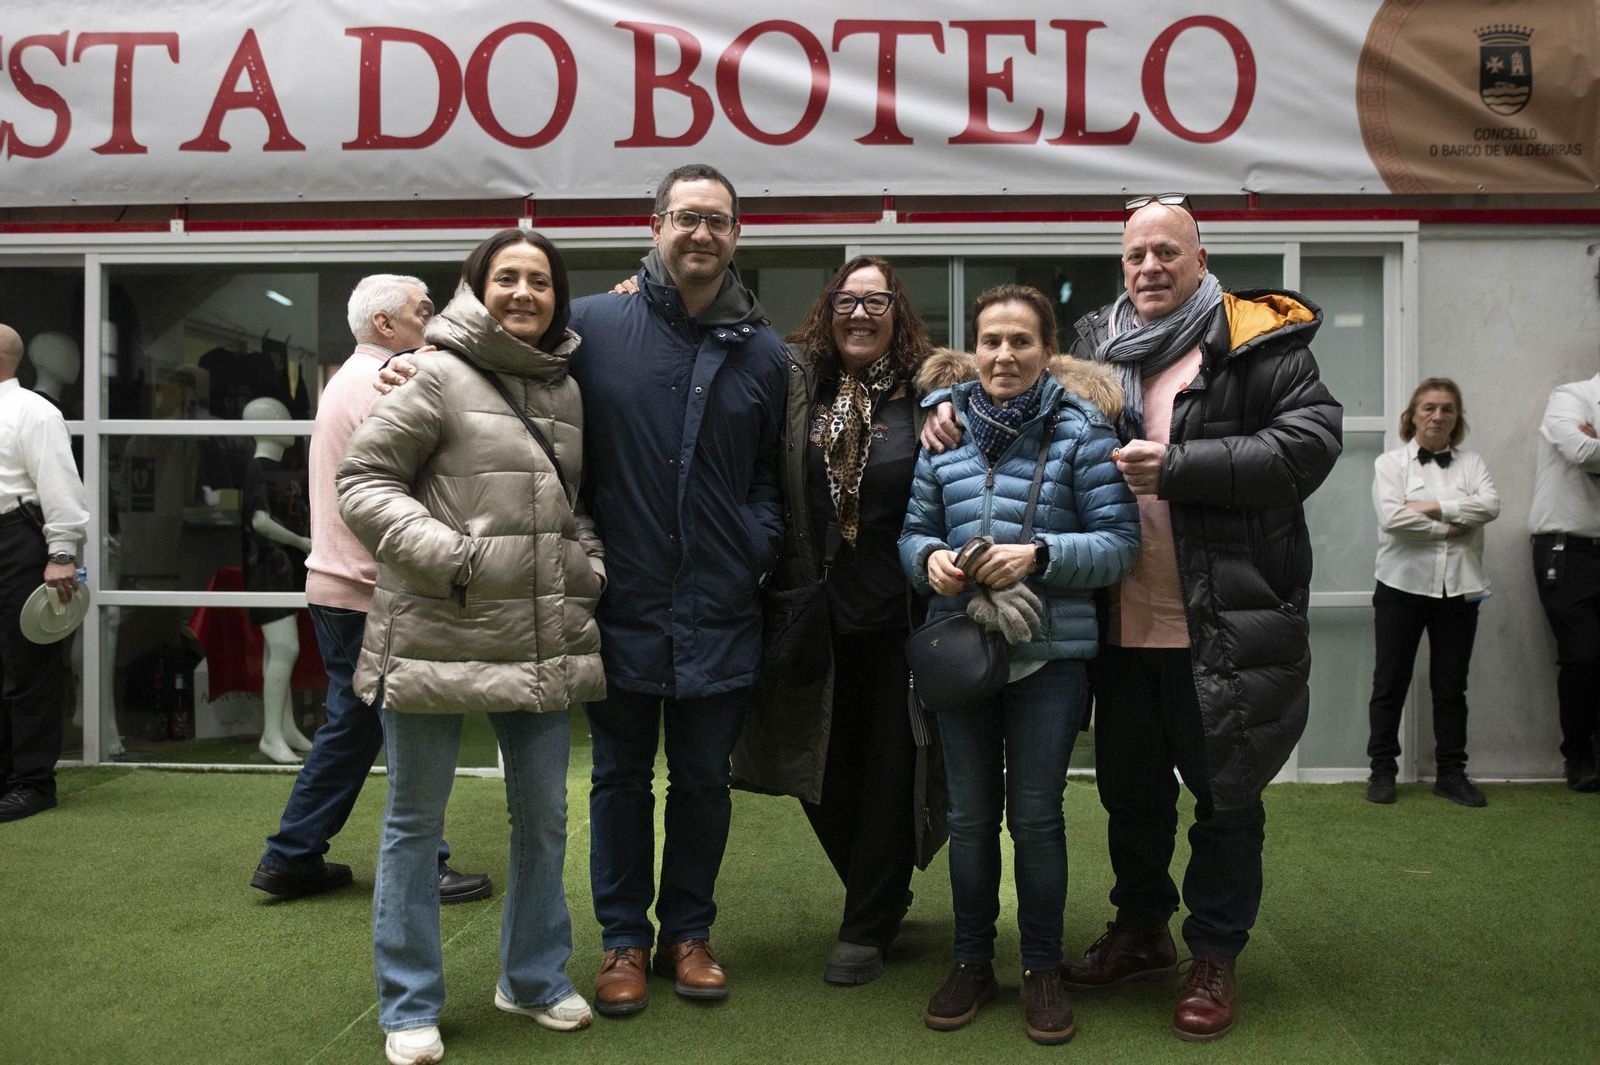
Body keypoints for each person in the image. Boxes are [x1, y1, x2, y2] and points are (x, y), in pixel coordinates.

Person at [922, 195, 1342, 1041]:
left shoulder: (1256, 341)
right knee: (1131, 793)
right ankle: (1144, 929)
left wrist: (1181, 465)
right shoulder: (1093, 352)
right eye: (1135, 254)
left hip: (1222, 620)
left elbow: (1312, 444)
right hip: (1119, 623)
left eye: (1166, 252)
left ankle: (1213, 951)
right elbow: (1013, 389)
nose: (1149, 267)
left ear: (1199, 257)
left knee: (1224, 797)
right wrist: (944, 406)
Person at [378, 164, 787, 1015]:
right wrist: (413, 365)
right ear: (656, 225)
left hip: (719, 604)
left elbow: (766, 476)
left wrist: (756, 541)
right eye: (686, 217)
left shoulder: (767, 351)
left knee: (706, 782)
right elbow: (503, 367)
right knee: (620, 778)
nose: (701, 234)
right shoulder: (593, 326)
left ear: (737, 234)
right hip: (616, 602)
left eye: (718, 220)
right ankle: (623, 942)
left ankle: (690, 933)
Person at [338, 231, 605, 1065]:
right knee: (415, 824)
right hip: (432, 627)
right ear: (476, 288)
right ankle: (409, 1003)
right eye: (506, 278)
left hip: (537, 631)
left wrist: (585, 561)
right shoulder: (433, 371)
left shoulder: (565, 388)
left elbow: (571, 501)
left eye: (538, 280)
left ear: (557, 295)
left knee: (546, 817)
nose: (523, 292)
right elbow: (362, 481)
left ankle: (531, 978)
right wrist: (454, 556)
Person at [900, 285, 1139, 1045]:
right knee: (970, 819)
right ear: (974, 349)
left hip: (1051, 661)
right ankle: (972, 959)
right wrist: (930, 560)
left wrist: (1039, 555)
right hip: (962, 652)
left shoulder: (1083, 431)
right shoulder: (943, 429)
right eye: (991, 341)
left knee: (1035, 819)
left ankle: (1040, 966)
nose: (1004, 355)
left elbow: (1119, 545)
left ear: (1047, 351)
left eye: (1020, 342)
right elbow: (912, 533)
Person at [728, 256, 941, 987]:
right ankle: (876, 892)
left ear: (898, 313)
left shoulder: (928, 395)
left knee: (889, 769)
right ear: (827, 310)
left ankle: (865, 923)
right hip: (806, 611)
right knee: (818, 771)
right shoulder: (795, 387)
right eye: (847, 300)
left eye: (876, 301)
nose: (860, 313)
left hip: (897, 615)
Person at [250, 275, 491, 903]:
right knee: (409, 725)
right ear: (387, 325)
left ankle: (291, 856)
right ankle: (420, 866)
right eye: (423, 311)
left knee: (352, 727)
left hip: (340, 585)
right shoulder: (386, 385)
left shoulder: (350, 382)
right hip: (369, 588)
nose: (433, 320)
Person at [1365, 379, 1499, 806]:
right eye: (1429, 408)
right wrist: (1454, 525)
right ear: (1413, 415)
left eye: (1447, 409)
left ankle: (1451, 774)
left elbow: (1492, 506)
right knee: (1390, 683)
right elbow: (1392, 519)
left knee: (1450, 686)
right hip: (1401, 585)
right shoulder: (1389, 463)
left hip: (1459, 588)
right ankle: (1382, 772)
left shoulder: (1473, 464)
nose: (1438, 416)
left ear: (1457, 417)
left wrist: (1434, 506)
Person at [0, 323, 87, 823]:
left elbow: (59, 484)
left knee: (27, 663)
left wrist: (61, 553)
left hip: (19, 537)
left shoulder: (34, 410)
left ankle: (32, 782)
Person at [1530, 371, 1600, 792]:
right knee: (1584, 657)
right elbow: (1580, 450)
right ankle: (1577, 756)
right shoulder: (1570, 397)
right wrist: (1590, 445)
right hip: (1565, 550)